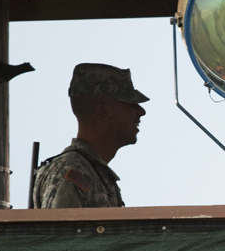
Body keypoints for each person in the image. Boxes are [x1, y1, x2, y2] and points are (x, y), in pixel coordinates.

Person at [33, 63, 149, 208]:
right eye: (130, 104)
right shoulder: (74, 170)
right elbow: (63, 230)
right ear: (103, 110)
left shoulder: (93, 173)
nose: (141, 111)